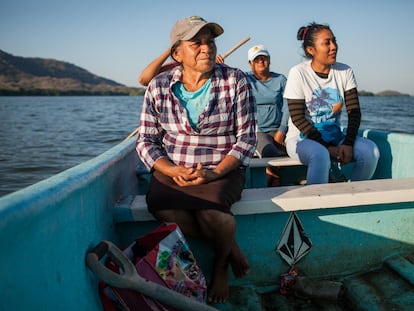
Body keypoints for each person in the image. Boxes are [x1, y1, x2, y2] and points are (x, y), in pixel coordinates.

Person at [136, 15, 257, 304]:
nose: (207, 48)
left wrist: (215, 173)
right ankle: (232, 248)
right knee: (163, 207)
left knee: (212, 214)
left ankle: (220, 265)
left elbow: (247, 139)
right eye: (197, 43)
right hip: (173, 167)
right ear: (177, 53)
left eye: (210, 42)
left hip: (222, 167)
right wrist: (170, 168)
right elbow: (146, 141)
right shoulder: (159, 86)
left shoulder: (235, 80)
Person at [283, 22, 380, 184]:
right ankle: (315, 206)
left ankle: (351, 197)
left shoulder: (345, 71)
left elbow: (354, 112)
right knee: (320, 155)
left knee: (371, 152)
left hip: (335, 135)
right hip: (301, 138)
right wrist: (328, 148)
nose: (333, 46)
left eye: (334, 41)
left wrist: (348, 143)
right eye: (326, 42)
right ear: (310, 50)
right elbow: (298, 118)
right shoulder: (298, 73)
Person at [246, 45, 289, 186]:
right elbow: (225, 75)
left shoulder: (281, 79)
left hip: (279, 129)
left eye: (263, 58)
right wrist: (218, 65)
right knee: (270, 151)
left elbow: (288, 106)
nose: (261, 62)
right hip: (258, 131)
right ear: (250, 64)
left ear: (269, 60)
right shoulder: (245, 79)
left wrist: (282, 130)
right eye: (256, 59)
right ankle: (275, 180)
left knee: (300, 146)